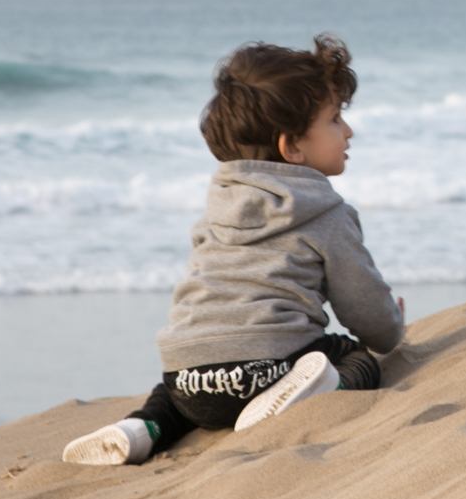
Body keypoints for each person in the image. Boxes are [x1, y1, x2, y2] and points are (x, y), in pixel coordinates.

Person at [62, 35, 405, 465]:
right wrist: (391, 328)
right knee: (357, 358)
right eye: (336, 119)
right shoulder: (327, 213)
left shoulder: (215, 208)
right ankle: (310, 397)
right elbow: (366, 311)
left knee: (171, 395)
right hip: (270, 370)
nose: (348, 131)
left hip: (188, 380)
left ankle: (140, 429)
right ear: (292, 147)